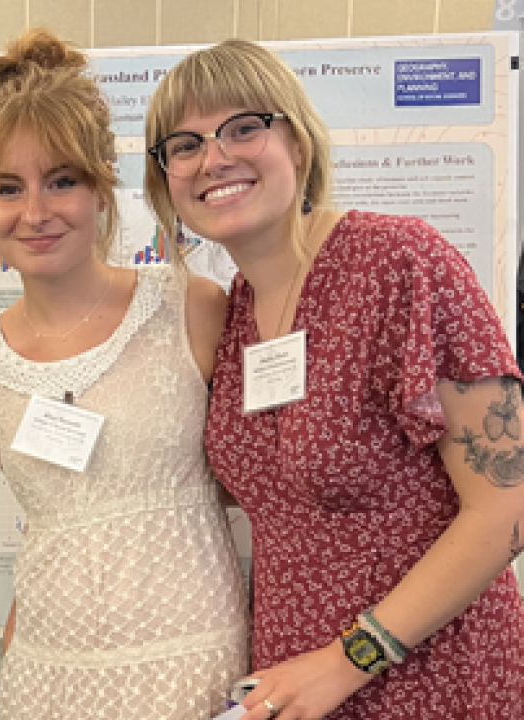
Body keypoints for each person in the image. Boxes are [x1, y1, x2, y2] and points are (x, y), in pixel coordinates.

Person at [144, 39, 524, 720]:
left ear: (298, 141)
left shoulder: (401, 263)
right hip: (295, 682)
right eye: (184, 144)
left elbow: (509, 507)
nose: (214, 158)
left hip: (430, 673)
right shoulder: (230, 317)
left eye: (243, 127)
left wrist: (354, 657)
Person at [0, 28, 249, 719]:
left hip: (190, 663)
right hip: (47, 674)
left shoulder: (191, 307)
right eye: (6, 188)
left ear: (101, 188)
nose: (35, 212)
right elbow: (48, 519)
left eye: (61, 181)